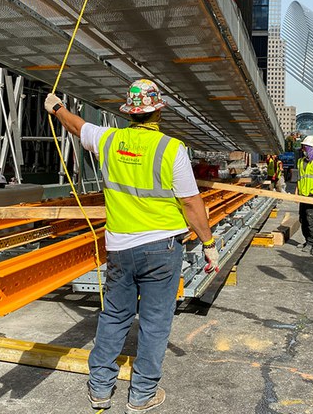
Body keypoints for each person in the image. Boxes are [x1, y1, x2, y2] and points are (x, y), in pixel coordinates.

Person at [44, 79, 219, 414]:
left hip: (120, 247)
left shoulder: (108, 140)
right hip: (162, 249)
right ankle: (141, 396)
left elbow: (76, 125)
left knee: (114, 315)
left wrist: (56, 108)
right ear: (157, 111)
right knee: (155, 323)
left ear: (129, 112)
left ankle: (99, 391)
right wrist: (208, 243)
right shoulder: (171, 149)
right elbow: (192, 204)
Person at [293, 135, 313, 256]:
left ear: (311, 149)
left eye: (305, 148)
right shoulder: (301, 161)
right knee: (303, 218)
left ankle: (311, 244)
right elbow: (299, 178)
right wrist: (296, 193)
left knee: (311, 219)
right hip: (303, 195)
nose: (303, 150)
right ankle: (307, 240)